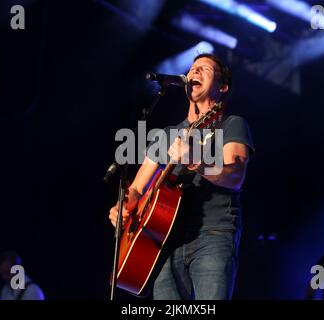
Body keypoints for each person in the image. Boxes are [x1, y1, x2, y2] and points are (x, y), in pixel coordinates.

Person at [109, 53, 255, 299]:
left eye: (204, 69)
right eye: (192, 68)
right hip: (162, 242)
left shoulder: (230, 124)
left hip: (213, 235)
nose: (194, 72)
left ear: (222, 87)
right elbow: (136, 188)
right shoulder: (166, 134)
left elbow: (235, 177)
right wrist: (126, 205)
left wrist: (195, 162)